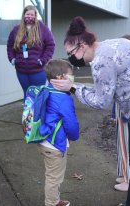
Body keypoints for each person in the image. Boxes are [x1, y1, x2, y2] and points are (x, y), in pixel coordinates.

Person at [51, 16, 130, 206]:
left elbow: (101, 101)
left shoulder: (102, 62)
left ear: (82, 45)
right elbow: (105, 89)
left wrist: (72, 88)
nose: (71, 58)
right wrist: (74, 85)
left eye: (70, 52)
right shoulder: (112, 44)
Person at [38, 59, 79, 206]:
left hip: (44, 139)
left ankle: (54, 200)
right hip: (55, 144)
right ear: (61, 78)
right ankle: (52, 203)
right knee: (54, 177)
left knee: (51, 174)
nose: (72, 78)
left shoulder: (46, 89)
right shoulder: (63, 98)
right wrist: (74, 137)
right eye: (70, 75)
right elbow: (71, 123)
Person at [7, 5, 55, 99]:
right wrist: (12, 59)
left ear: (35, 16)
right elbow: (10, 46)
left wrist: (43, 60)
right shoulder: (16, 30)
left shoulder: (43, 29)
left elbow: (50, 45)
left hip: (38, 70)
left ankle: (38, 113)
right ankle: (28, 113)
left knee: (38, 94)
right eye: (27, 14)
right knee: (26, 94)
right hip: (21, 70)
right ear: (23, 15)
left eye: (32, 14)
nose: (30, 17)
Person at [113, 34, 130, 192]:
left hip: (129, 111)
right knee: (121, 144)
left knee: (128, 145)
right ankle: (124, 173)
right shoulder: (124, 64)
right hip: (121, 109)